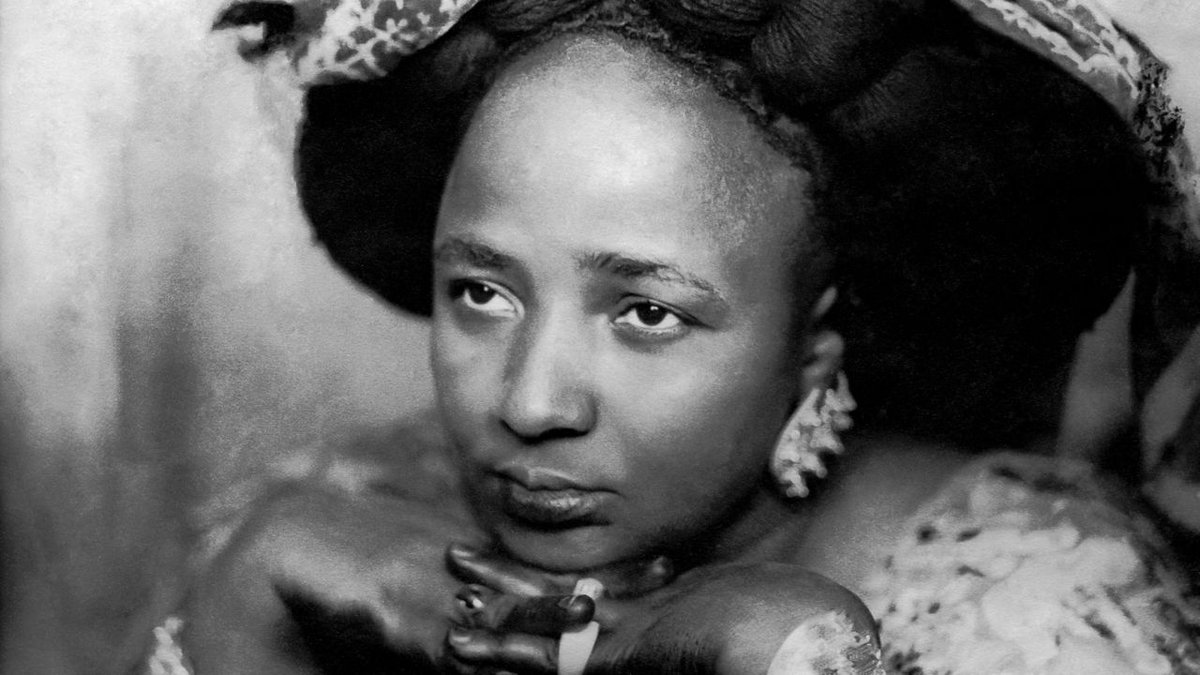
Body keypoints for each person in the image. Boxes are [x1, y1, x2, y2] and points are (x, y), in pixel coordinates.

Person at [148, 0, 1200, 673]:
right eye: (483, 292)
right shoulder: (346, 517)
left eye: (646, 312)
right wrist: (247, 600)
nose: (530, 404)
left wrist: (768, 649)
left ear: (817, 349)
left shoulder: (1041, 615)